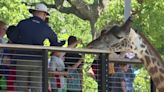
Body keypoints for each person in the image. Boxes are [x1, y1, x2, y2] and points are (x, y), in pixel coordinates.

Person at [14, 3, 65, 92]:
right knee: (37, 87)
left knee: (20, 86)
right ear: (44, 14)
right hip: (37, 60)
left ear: (34, 12)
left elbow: (13, 38)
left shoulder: (22, 23)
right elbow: (55, 43)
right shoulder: (45, 27)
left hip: (21, 59)